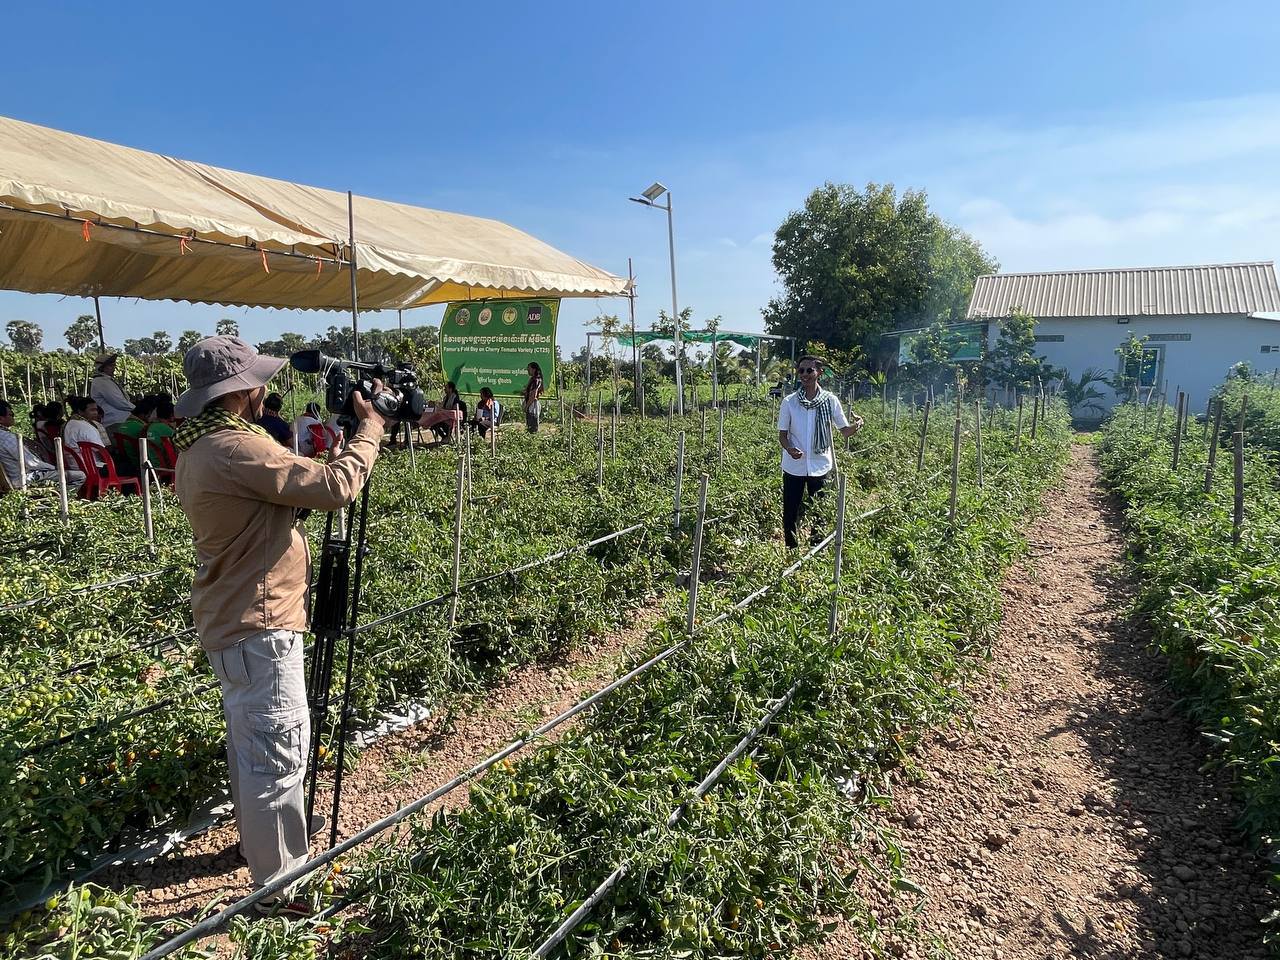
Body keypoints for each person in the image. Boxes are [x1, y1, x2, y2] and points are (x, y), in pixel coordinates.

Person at [172, 336, 387, 913]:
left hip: (235, 618)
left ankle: (263, 845)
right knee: (276, 754)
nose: (264, 387)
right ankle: (279, 891)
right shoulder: (234, 448)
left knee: (254, 747)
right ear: (241, 391)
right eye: (257, 381)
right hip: (259, 624)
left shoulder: (201, 446)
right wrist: (370, 431)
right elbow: (335, 488)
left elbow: (280, 494)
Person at [776, 356, 863, 549]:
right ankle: (791, 550)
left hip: (820, 465)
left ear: (819, 373)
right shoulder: (789, 402)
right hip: (794, 466)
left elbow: (844, 431)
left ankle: (816, 550)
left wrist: (857, 424)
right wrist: (789, 449)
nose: (804, 374)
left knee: (820, 512)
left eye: (809, 370)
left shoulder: (830, 401)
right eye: (801, 371)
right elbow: (782, 435)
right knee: (790, 512)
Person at [0, 400, 86, 492]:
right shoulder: (8, 438)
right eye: (11, 414)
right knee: (79, 476)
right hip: (24, 479)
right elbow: (32, 463)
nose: (13, 417)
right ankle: (62, 499)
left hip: (14, 477)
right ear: (1, 418)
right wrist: (54, 468)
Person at [110, 394, 160, 476]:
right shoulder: (143, 428)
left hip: (127, 463)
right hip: (141, 465)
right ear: (146, 414)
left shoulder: (123, 425)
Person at [63, 396, 111, 471]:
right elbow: (102, 452)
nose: (95, 413)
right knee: (127, 466)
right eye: (92, 410)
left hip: (74, 466)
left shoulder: (67, 424)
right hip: (93, 468)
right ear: (81, 412)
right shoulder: (87, 426)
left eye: (96, 410)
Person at [90, 354, 134, 428]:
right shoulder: (101, 382)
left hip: (119, 420)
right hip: (113, 422)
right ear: (102, 368)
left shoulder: (106, 380)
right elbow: (118, 401)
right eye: (111, 366)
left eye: (114, 365)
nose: (114, 368)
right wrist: (135, 409)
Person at [145, 396, 179, 469]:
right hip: (165, 466)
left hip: (151, 464)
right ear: (172, 415)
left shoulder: (150, 426)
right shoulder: (167, 430)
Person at [523, 362, 544, 433]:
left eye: (529, 369)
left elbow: (533, 395)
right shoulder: (533, 379)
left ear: (534, 369)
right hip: (531, 404)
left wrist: (527, 406)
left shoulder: (536, 380)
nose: (528, 371)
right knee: (529, 426)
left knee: (532, 427)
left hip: (532, 406)